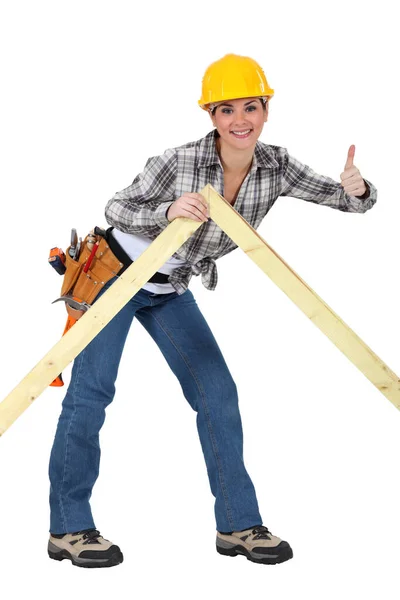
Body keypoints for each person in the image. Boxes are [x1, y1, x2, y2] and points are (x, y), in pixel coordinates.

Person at [47, 53, 377, 568]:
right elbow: (117, 208)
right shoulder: (177, 161)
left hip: (169, 287)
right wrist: (166, 210)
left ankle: (239, 525)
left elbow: (345, 199)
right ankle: (69, 529)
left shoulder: (276, 166)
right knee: (91, 395)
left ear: (266, 110)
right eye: (227, 110)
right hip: (112, 276)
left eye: (251, 107)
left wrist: (357, 188)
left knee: (217, 392)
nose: (240, 120)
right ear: (211, 117)